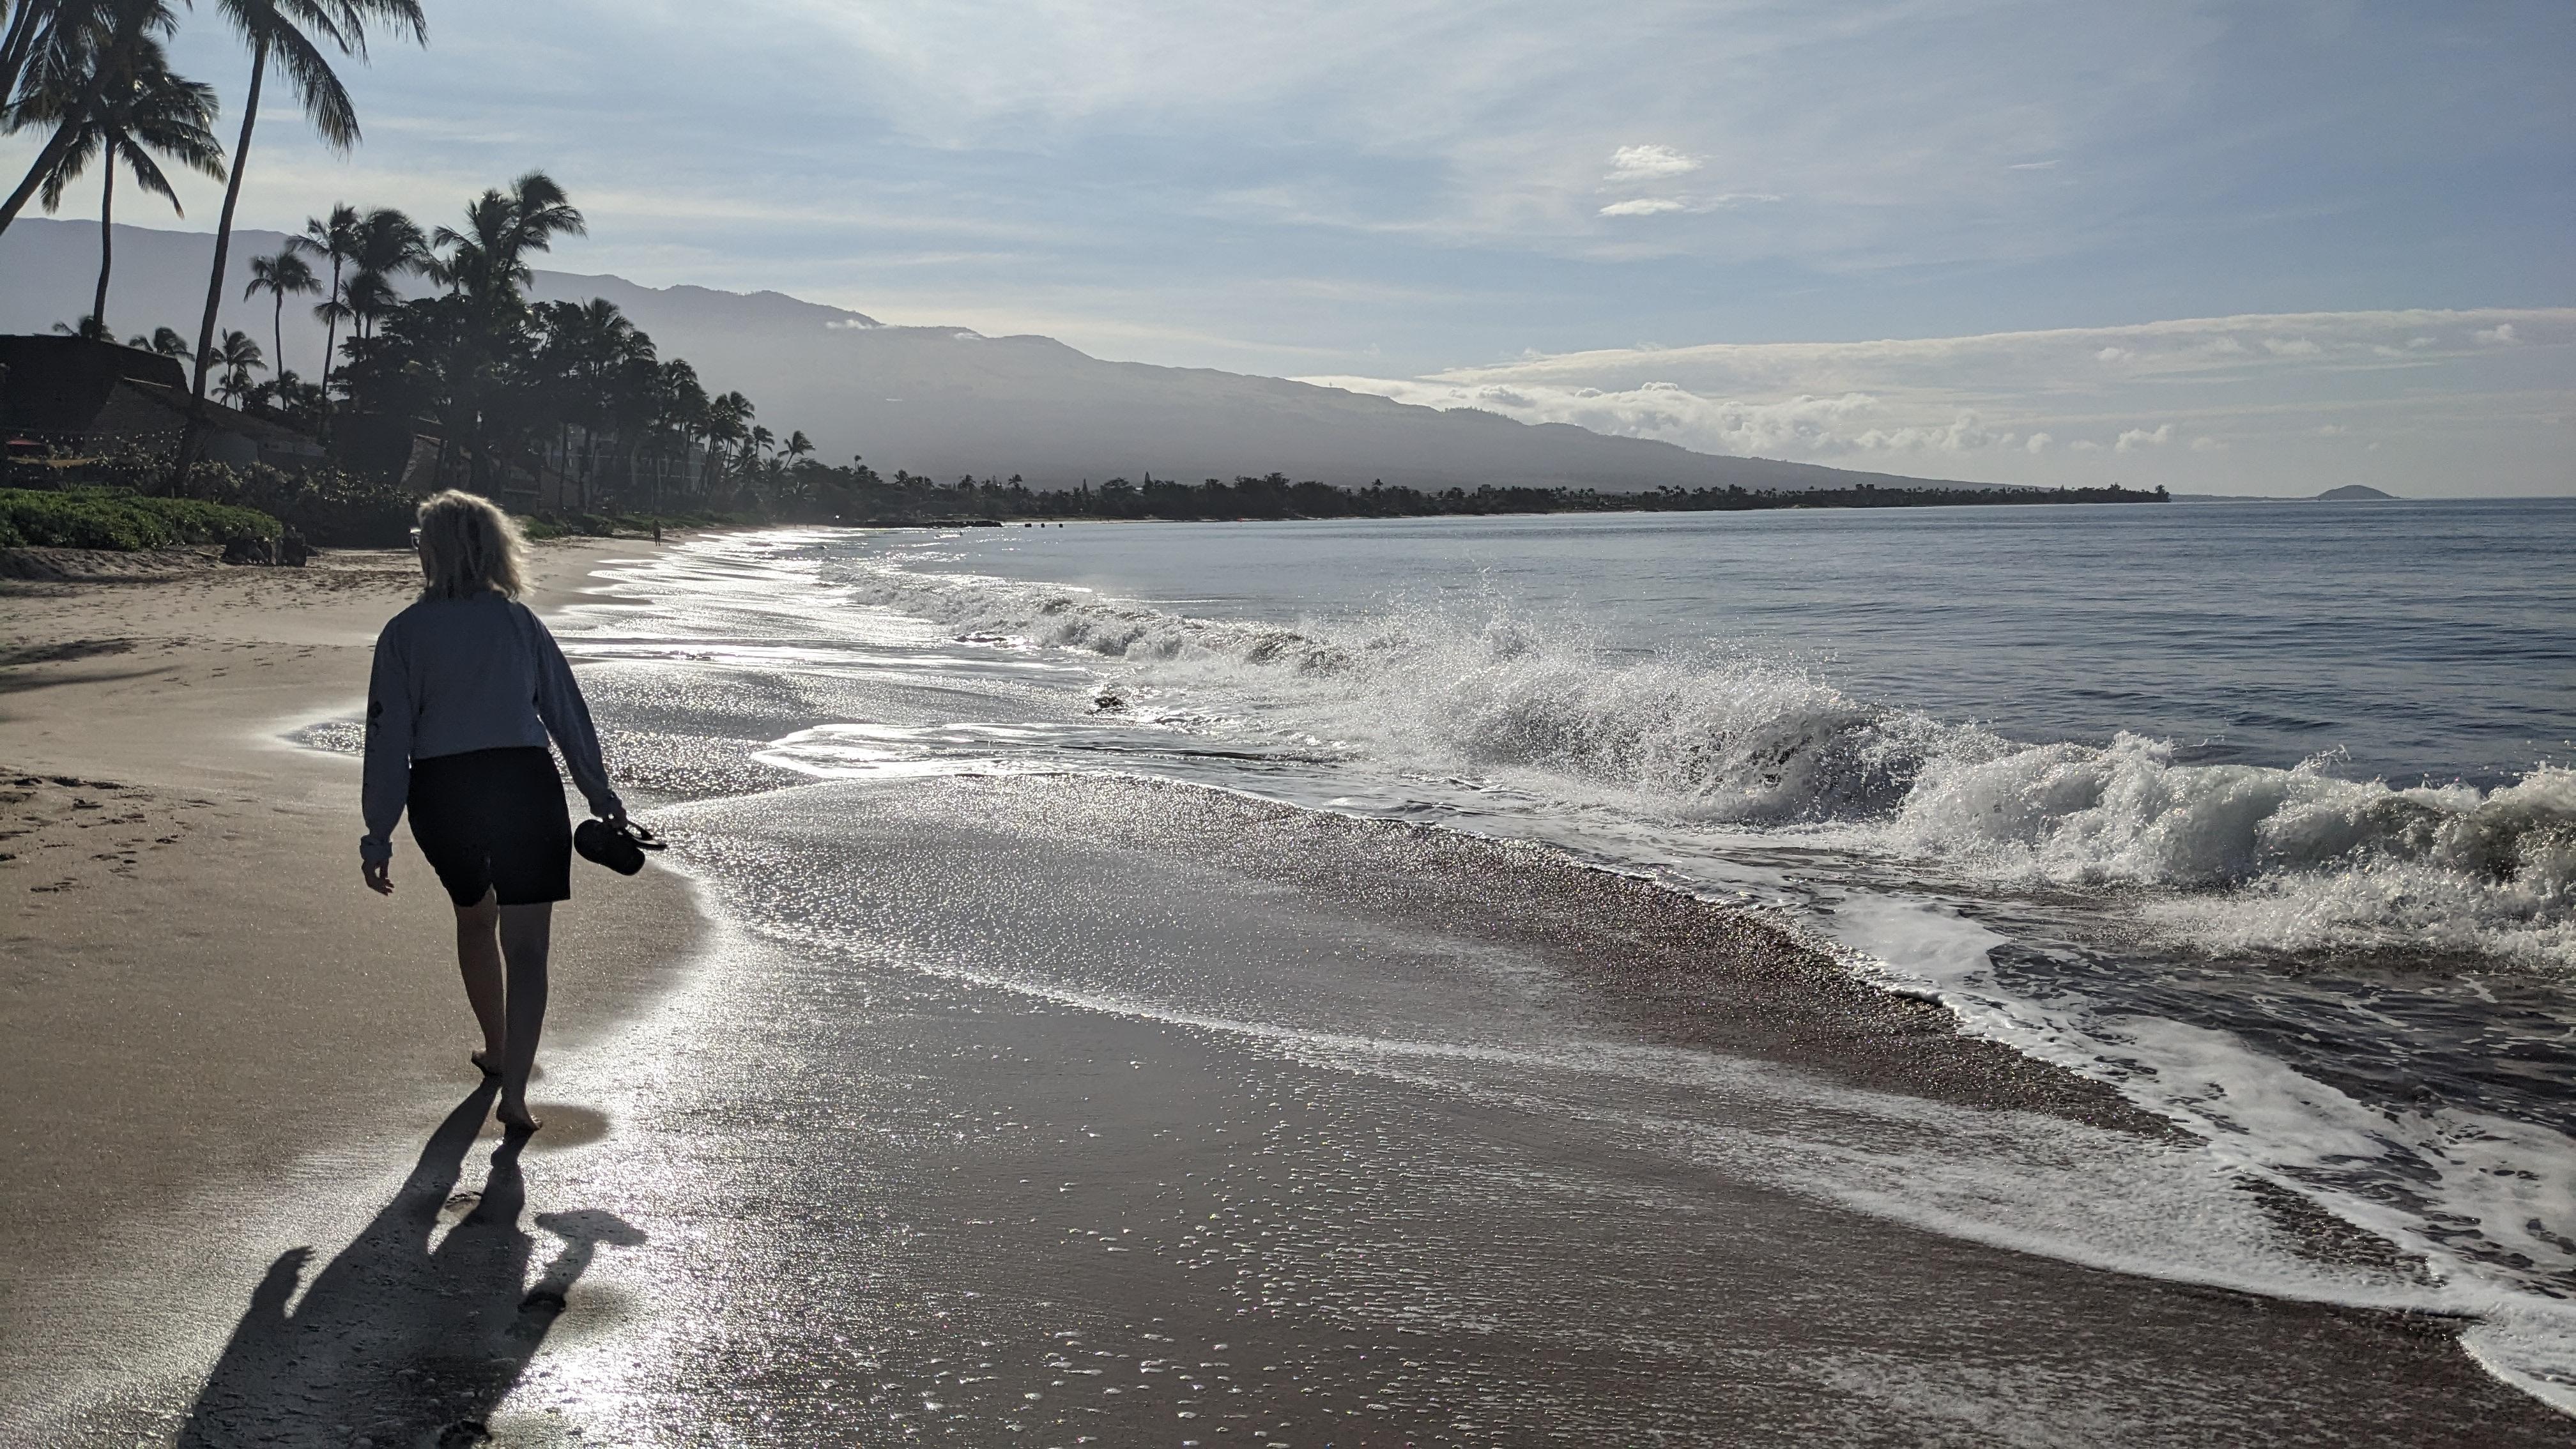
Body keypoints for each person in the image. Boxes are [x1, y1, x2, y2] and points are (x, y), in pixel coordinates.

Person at [360, 491, 625, 1133]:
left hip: (444, 790)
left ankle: (500, 1049)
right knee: (529, 949)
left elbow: (388, 738)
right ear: (495, 548)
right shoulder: (517, 623)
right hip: (523, 784)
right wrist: (599, 792)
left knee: (476, 920)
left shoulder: (404, 633)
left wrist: (378, 833)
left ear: (434, 550)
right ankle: (514, 1095)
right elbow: (565, 709)